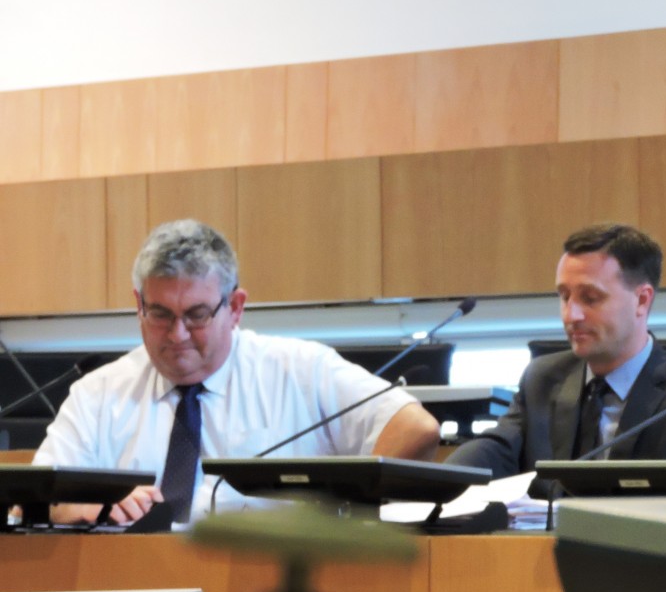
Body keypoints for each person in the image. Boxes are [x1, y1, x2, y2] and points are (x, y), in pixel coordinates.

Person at [34, 219, 441, 525]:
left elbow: (415, 428)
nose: (177, 335)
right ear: (138, 304)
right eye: (160, 314)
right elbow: (38, 497)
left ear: (235, 307)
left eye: (197, 315)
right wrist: (87, 507)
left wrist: (344, 510)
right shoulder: (98, 393)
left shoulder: (300, 370)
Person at [447, 223, 666, 481]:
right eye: (564, 296)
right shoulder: (542, 379)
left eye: (590, 298)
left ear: (641, 301)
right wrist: (440, 481)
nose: (571, 315)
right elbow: (496, 450)